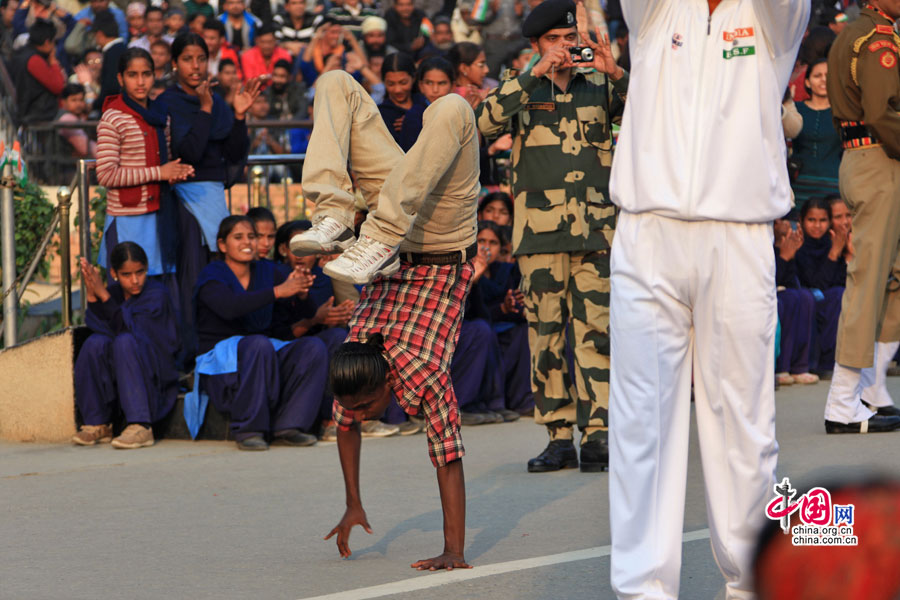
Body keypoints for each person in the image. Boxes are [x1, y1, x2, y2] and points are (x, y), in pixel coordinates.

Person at [607, 0, 808, 597]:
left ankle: (750, 583)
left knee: (744, 426)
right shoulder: (655, 12)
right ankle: (643, 589)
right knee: (640, 424)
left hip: (739, 234)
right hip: (647, 233)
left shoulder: (775, 17)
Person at [299, 71, 479, 569]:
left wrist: (453, 552)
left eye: (360, 405)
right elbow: (353, 429)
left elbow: (448, 461)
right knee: (449, 112)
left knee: (439, 106)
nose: (355, 413)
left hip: (395, 226)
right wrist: (353, 501)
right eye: (355, 406)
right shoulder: (382, 376)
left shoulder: (386, 364)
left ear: (383, 383)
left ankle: (354, 224)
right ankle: (352, 222)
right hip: (446, 235)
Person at [476, 0, 626, 474]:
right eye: (557, 40)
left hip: (596, 231)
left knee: (596, 333)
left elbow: (651, 115)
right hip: (539, 236)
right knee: (545, 337)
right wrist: (533, 74)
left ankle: (599, 432)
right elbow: (483, 123)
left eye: (570, 38)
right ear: (537, 45)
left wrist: (616, 71)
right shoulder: (520, 87)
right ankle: (559, 435)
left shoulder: (599, 83)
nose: (567, 46)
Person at [188, 215, 330, 450]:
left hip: (263, 353)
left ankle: (291, 425)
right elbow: (230, 308)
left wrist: (301, 291)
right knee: (257, 344)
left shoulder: (267, 270)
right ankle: (249, 429)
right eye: (239, 237)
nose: (248, 242)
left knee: (313, 348)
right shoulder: (212, 274)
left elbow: (305, 311)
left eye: (252, 237)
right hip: (222, 363)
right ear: (223, 245)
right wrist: (278, 291)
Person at [824, 0, 900, 435]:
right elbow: (881, 112)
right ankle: (843, 400)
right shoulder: (878, 39)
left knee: (891, 275)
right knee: (869, 278)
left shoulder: (861, 32)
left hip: (868, 157)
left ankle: (868, 389)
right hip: (878, 157)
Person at [162, 32, 260, 359]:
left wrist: (240, 115)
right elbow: (187, 153)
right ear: (174, 63)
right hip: (185, 200)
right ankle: (192, 355)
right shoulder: (169, 102)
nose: (195, 66)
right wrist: (205, 109)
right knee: (192, 278)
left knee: (220, 275)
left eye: (201, 59)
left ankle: (224, 349)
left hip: (215, 199)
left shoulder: (218, 102)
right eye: (188, 59)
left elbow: (233, 153)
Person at [97, 47, 194, 284]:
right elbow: (106, 174)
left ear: (154, 75)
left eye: (146, 74)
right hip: (128, 217)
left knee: (159, 289)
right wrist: (159, 172)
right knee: (128, 287)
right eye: (133, 75)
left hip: (160, 212)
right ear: (120, 78)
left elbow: (166, 162)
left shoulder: (162, 115)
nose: (141, 82)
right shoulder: (113, 117)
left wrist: (175, 173)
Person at [73, 243, 180, 449]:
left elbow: (132, 330)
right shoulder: (115, 292)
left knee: (125, 341)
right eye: (126, 274)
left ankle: (141, 425)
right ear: (114, 273)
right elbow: (97, 324)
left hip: (153, 372)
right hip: (123, 369)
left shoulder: (156, 294)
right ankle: (98, 423)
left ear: (147, 268)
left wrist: (103, 294)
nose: (134, 280)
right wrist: (92, 293)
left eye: (140, 273)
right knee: (95, 343)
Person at [795, 197, 847, 378]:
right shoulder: (798, 244)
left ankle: (829, 363)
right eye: (811, 220)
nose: (817, 226)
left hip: (828, 298)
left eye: (823, 220)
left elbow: (840, 280)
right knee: (815, 297)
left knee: (839, 294)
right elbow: (814, 282)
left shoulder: (833, 242)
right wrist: (834, 253)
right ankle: (811, 363)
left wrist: (840, 252)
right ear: (801, 221)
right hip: (805, 297)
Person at [790, 58, 843, 207]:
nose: (823, 80)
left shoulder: (843, 112)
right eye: (817, 76)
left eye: (828, 75)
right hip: (799, 185)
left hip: (833, 185)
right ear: (807, 82)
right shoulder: (795, 110)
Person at [774, 219, 818, 387]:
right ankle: (781, 367)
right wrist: (783, 256)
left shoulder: (787, 243)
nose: (783, 224)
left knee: (805, 297)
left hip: (785, 291)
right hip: (762, 294)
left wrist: (790, 255)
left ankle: (800, 366)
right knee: (787, 300)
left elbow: (791, 281)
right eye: (777, 221)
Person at [13, 18, 65, 125]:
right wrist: (53, 62)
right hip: (39, 115)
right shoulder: (34, 60)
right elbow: (58, 86)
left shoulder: (22, 54)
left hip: (32, 113)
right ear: (47, 42)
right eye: (53, 42)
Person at [377, 52, 425, 151]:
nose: (397, 90)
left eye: (403, 83)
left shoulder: (424, 103)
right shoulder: (380, 114)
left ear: (414, 78)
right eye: (391, 84)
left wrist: (414, 121)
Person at [91, 10, 128, 112]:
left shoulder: (113, 53)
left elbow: (111, 87)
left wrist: (94, 104)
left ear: (99, 34)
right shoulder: (123, 49)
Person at [57, 83, 96, 160]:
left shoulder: (78, 117)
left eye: (81, 100)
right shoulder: (67, 118)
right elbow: (85, 148)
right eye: (73, 100)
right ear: (63, 102)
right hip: (66, 169)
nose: (78, 104)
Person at [448, 41, 489, 109]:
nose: (487, 70)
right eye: (481, 65)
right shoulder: (478, 95)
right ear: (463, 68)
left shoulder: (447, 92)